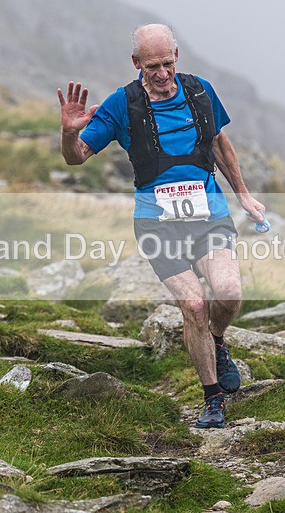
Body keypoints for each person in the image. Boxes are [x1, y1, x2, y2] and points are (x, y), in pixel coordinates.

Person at [57, 23, 266, 429]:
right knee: (193, 305)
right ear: (136, 63)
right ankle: (212, 399)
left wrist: (242, 193)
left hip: (209, 215)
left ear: (176, 57)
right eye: (152, 66)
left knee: (229, 293)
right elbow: (77, 157)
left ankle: (217, 341)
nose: (162, 73)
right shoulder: (122, 104)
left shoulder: (200, 91)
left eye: (168, 63)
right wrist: (68, 134)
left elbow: (219, 143)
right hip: (157, 223)